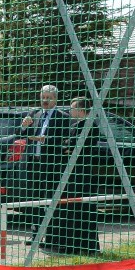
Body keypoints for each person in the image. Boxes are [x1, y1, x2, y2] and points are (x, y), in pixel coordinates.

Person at [44, 96, 101, 255]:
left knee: (83, 208)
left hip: (83, 174)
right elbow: (67, 145)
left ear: (81, 110)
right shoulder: (76, 126)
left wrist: (69, 147)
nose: (70, 111)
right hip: (72, 173)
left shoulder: (91, 126)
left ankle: (87, 245)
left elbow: (78, 147)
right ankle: (72, 243)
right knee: (71, 208)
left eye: (73, 108)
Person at [19, 84, 73, 242]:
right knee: (34, 201)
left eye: (49, 98)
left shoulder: (63, 117)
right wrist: (24, 126)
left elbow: (65, 140)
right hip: (34, 164)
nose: (45, 100)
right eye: (43, 97)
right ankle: (35, 235)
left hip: (51, 166)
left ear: (55, 99)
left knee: (50, 200)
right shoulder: (34, 114)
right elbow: (21, 133)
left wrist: (45, 140)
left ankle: (50, 236)